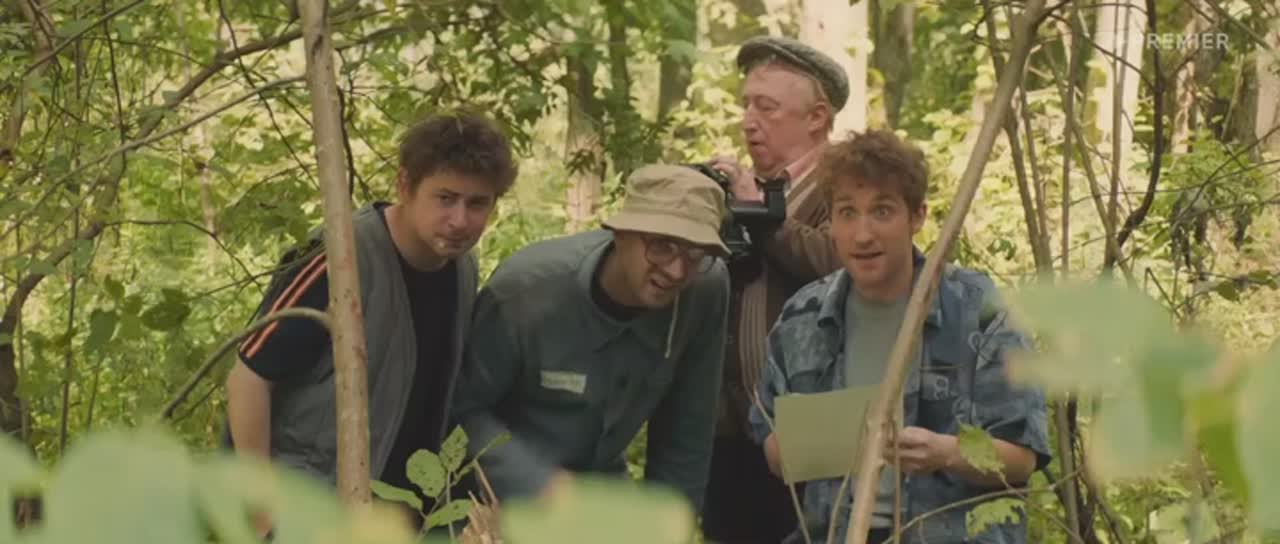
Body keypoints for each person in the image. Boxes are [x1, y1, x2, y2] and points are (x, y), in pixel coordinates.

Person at [747, 130, 1052, 544]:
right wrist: (817, 441)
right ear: (831, 223)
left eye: (882, 211)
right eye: (847, 213)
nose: (863, 234)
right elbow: (772, 448)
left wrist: (947, 453)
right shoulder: (803, 318)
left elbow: (1023, 458)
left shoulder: (976, 309)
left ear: (917, 217)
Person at [223, 111, 518, 532]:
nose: (460, 220)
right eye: (445, 198)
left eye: (477, 204)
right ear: (405, 186)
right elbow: (248, 379)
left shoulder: (462, 268)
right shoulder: (342, 256)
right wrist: (263, 509)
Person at [449, 164, 731, 510]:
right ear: (621, 234)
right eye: (662, 246)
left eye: (696, 252)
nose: (677, 270)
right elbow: (460, 413)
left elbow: (687, 433)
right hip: (494, 499)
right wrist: (536, 483)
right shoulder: (526, 293)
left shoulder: (704, 288)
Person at [700, 36, 848, 543]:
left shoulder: (847, 184)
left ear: (817, 117)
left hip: (816, 421)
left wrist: (760, 217)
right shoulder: (746, 187)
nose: (748, 121)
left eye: (766, 107)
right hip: (727, 429)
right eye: (746, 105)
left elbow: (843, 265)